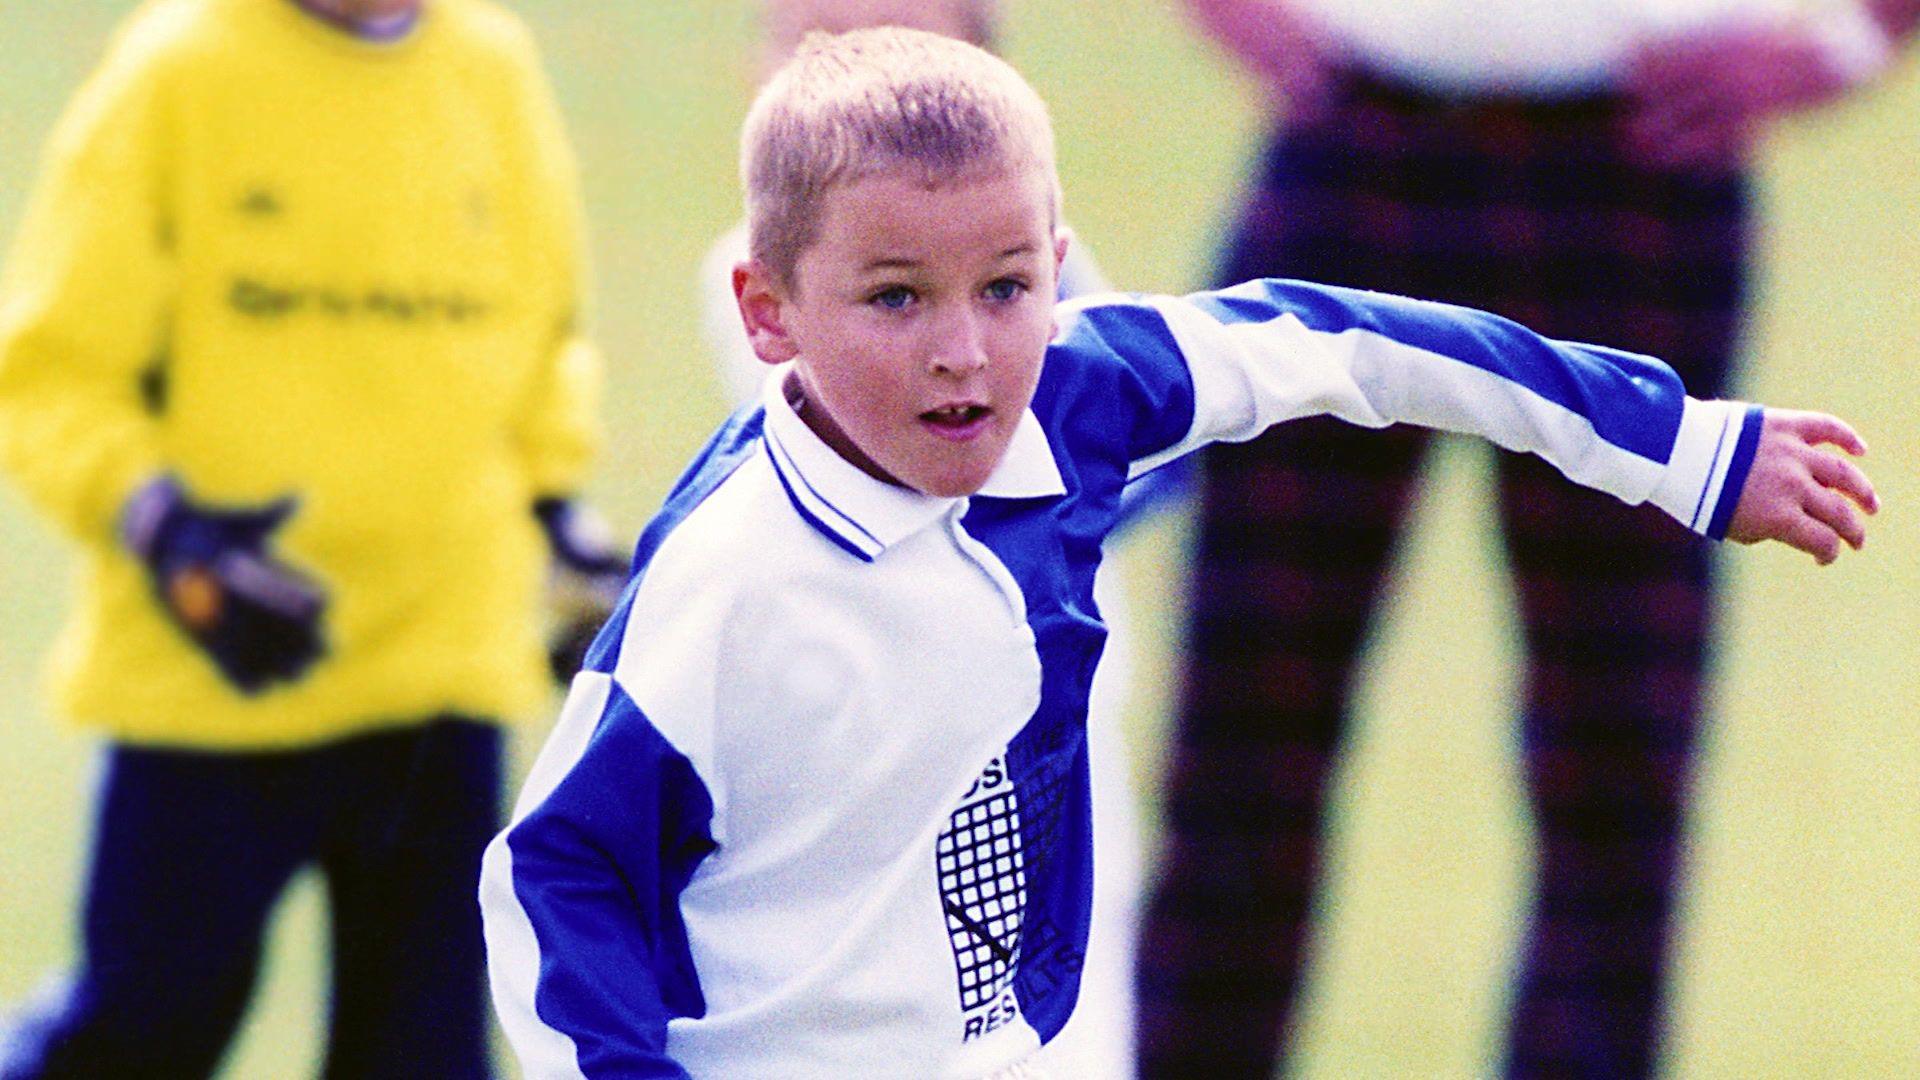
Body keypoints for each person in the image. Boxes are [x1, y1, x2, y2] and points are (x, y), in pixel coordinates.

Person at [479, 26, 1876, 1080]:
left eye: (1008, 287)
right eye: (895, 297)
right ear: (769, 312)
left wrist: (1681, 448)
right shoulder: (727, 581)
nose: (965, 349)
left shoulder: (1082, 388)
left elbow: (1360, 345)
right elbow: (553, 883)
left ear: (1061, 266)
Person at [1135, 1, 1920, 1077]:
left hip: (1642, 152)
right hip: (1357, 136)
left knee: (1616, 742)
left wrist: (1858, 40)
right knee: (1245, 725)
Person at [0, 0, 624, 1076]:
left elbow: (543, 338)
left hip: (439, 675)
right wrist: (167, 532)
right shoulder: (179, 74)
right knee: (146, 1028)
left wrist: (560, 517)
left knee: (420, 1053)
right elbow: (55, 375)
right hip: (214, 677)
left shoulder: (490, 68)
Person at [694, 5, 1180, 1077]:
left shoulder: (1046, 261)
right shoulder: (762, 274)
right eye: (817, 42)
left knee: (1058, 1026)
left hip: (1040, 730)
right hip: (854, 745)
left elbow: (1158, 445)